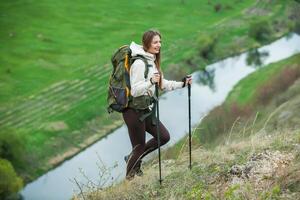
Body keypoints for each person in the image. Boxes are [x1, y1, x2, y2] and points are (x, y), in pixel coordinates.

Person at [123, 29, 192, 180]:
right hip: (133, 111)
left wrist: (182, 84)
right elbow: (134, 90)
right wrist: (150, 82)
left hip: (145, 110)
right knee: (138, 147)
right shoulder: (140, 63)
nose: (159, 45)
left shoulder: (151, 60)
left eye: (160, 42)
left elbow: (162, 84)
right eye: (155, 42)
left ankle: (133, 158)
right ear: (147, 43)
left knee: (163, 137)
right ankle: (129, 181)